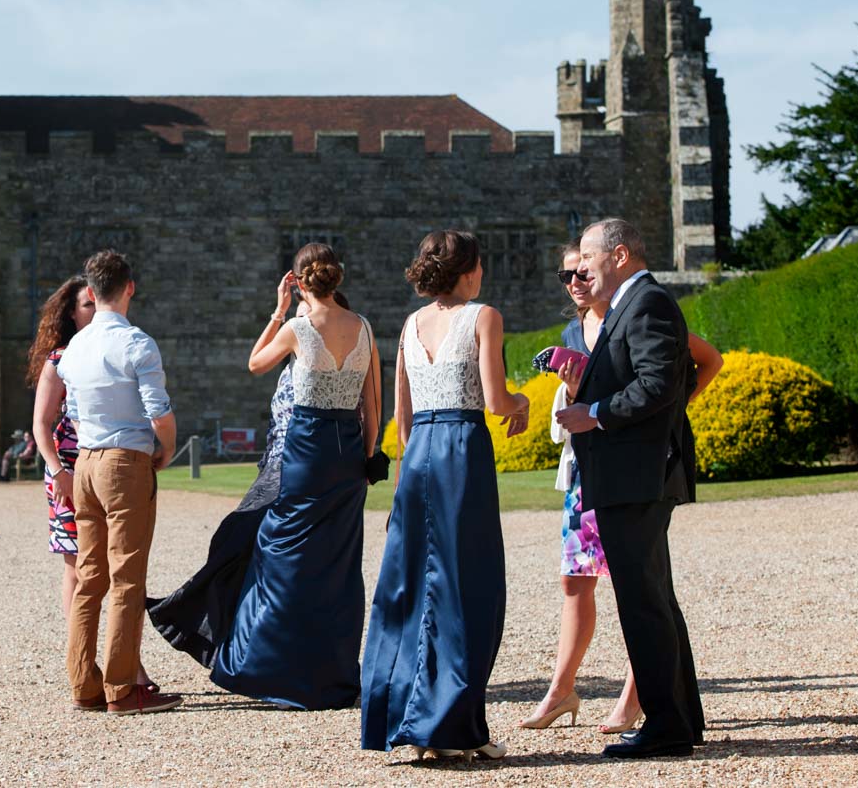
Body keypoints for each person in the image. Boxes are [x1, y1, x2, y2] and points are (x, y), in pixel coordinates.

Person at [521, 245, 723, 734]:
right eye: (565, 272)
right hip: (589, 471)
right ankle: (572, 691)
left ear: (609, 262)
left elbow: (693, 365)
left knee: (641, 590)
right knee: (586, 581)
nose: (574, 278)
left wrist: (672, 414)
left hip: (632, 466)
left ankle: (646, 705)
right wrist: (573, 394)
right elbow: (585, 403)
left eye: (581, 268)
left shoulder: (640, 308)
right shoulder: (575, 331)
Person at [360, 230, 528, 761]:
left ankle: (417, 722)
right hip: (461, 450)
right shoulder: (484, 316)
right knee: (466, 588)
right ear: (470, 271)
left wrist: (414, 467)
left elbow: (401, 419)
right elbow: (497, 400)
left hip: (420, 456)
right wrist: (523, 402)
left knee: (413, 587)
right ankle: (453, 728)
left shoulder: (410, 324)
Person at [554, 218, 705, 760]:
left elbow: (661, 383)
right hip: (629, 474)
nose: (580, 270)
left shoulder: (647, 303)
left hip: (636, 475)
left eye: (588, 260)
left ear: (618, 255)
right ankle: (681, 716)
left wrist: (593, 413)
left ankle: (665, 726)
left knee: (643, 603)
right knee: (654, 597)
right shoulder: (629, 305)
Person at [209, 246, 379, 709]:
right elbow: (373, 405)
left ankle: (273, 668)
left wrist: (278, 310)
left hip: (307, 452)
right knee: (338, 564)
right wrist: (368, 461)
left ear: (301, 283)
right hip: (348, 456)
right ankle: (334, 672)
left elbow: (255, 364)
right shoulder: (363, 326)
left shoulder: (297, 327)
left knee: (281, 553)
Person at [146, 291, 352, 667]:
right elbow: (255, 361)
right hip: (273, 465)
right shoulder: (294, 356)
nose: (299, 322)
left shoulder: (321, 363)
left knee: (244, 545)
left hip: (292, 467)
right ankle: (212, 629)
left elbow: (256, 364)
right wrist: (279, 312)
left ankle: (194, 622)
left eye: (305, 315)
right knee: (234, 543)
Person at [55, 250, 182, 716]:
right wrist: (165, 448)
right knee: (127, 578)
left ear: (91, 292)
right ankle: (122, 688)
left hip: (85, 461)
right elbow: (159, 412)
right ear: (130, 288)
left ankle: (83, 684)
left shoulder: (75, 348)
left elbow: (69, 411)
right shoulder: (137, 344)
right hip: (125, 460)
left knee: (90, 578)